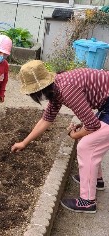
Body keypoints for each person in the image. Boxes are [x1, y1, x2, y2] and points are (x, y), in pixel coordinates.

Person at [11, 60, 109, 214]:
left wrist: (74, 135)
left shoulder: (66, 90)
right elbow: (46, 119)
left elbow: (92, 125)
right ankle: (96, 180)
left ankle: (88, 202)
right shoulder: (56, 88)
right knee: (91, 140)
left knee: (86, 146)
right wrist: (24, 142)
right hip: (106, 105)